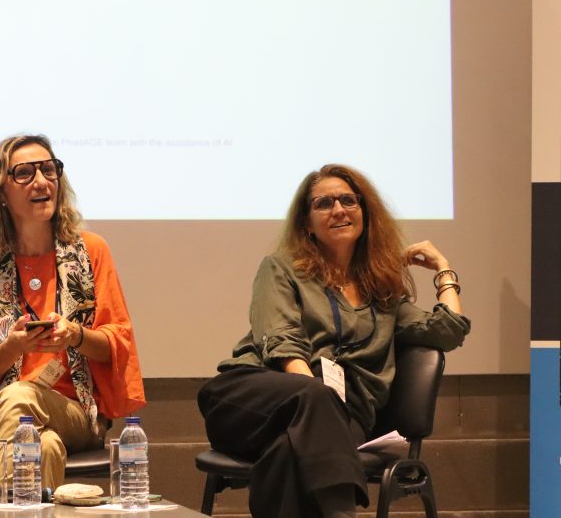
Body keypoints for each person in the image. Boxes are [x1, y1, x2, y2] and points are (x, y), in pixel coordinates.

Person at [197, 165, 470, 518]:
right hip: (253, 403)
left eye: (348, 200)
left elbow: (448, 331)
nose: (338, 209)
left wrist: (444, 270)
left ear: (365, 214)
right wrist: (321, 401)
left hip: (342, 418)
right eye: (324, 203)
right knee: (313, 397)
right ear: (307, 223)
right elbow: (282, 342)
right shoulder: (281, 269)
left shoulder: (384, 293)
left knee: (285, 453)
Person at [0, 134, 146, 490]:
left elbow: (117, 344)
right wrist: (12, 349)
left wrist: (76, 336)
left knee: (20, 396)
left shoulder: (91, 252)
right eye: (24, 173)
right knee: (42, 446)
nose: (41, 181)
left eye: (48, 169)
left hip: (74, 412)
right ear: (0, 195)